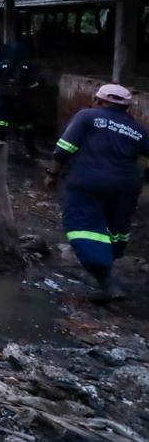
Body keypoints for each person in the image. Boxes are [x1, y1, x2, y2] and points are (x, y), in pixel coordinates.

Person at [45, 83, 148, 302]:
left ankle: (106, 280)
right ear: (126, 108)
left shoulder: (87, 116)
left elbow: (65, 147)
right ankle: (112, 256)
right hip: (127, 186)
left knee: (82, 226)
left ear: (99, 100)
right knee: (117, 226)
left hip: (87, 181)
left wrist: (52, 174)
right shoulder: (137, 128)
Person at [0, 42, 41, 156]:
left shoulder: (1, 65)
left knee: (1, 124)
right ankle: (31, 151)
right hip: (20, 102)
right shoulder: (28, 67)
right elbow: (33, 85)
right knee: (26, 126)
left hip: (1, 101)